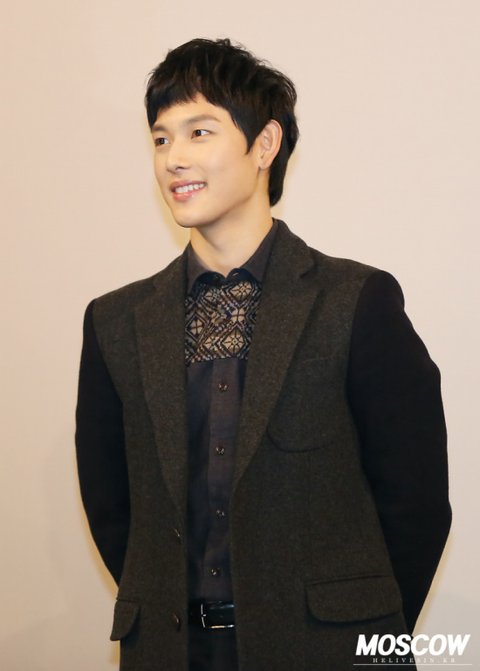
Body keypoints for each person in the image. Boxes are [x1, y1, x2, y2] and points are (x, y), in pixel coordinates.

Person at [75, 38, 451, 671]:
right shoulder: (115, 322)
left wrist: (360, 627)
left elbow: (416, 502)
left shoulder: (355, 301)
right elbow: (112, 509)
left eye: (199, 132)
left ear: (265, 144)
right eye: (161, 139)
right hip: (172, 652)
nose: (173, 158)